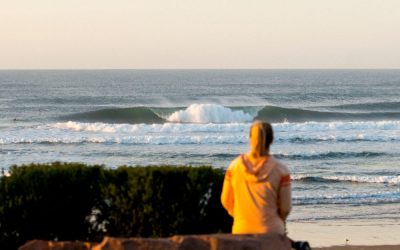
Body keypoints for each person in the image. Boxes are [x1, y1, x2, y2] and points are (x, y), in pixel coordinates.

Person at [221, 120, 292, 235]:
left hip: (241, 230)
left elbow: (225, 201)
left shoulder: (234, 167)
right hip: (271, 232)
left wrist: (240, 216)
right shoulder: (281, 170)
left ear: (250, 139)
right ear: (272, 140)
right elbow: (285, 208)